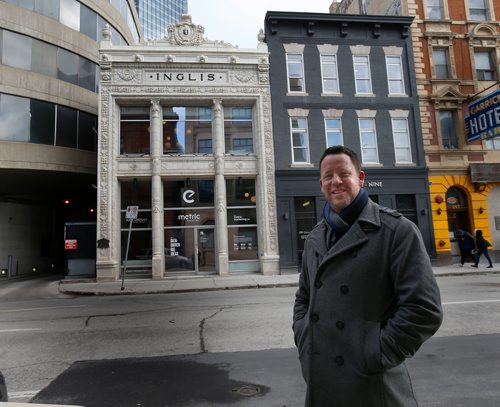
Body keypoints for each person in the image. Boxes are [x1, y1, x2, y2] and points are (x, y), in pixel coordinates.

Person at [293, 146, 443, 407]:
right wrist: (304, 337)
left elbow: (424, 309)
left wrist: (375, 354)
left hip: (373, 386)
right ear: (321, 184)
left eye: (344, 173)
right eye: (328, 176)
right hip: (321, 379)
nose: (336, 181)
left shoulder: (396, 231)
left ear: (360, 178)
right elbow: (303, 297)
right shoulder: (315, 237)